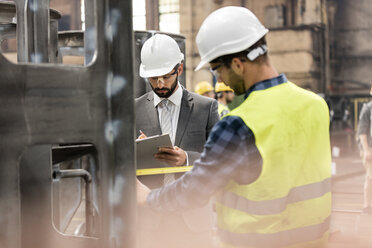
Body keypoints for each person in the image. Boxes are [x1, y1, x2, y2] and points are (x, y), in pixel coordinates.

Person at [137, 6, 332, 248]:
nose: (219, 80)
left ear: (238, 64)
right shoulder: (315, 105)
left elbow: (196, 188)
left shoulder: (238, 125)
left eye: (217, 69)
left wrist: (149, 199)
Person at [135, 33, 219, 248]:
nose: (159, 83)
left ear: (179, 69)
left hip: (193, 220)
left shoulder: (205, 108)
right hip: (149, 221)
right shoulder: (132, 110)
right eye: (153, 78)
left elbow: (219, 160)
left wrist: (186, 159)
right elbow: (117, 163)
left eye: (165, 76)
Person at [357, 87, 372, 214]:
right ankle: (366, 205)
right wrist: (367, 150)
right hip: (369, 148)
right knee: (370, 176)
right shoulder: (368, 109)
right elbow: (362, 132)